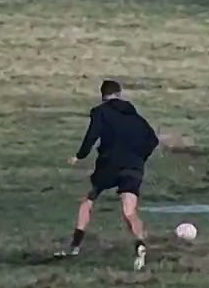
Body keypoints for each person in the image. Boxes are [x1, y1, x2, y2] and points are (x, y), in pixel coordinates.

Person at [58, 79, 159, 271]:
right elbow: (152, 140)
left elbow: (92, 135)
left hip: (109, 164)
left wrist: (80, 156)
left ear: (103, 95)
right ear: (120, 94)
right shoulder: (135, 116)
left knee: (88, 200)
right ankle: (140, 245)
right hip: (133, 165)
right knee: (129, 211)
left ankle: (75, 246)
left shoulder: (100, 112)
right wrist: (139, 157)